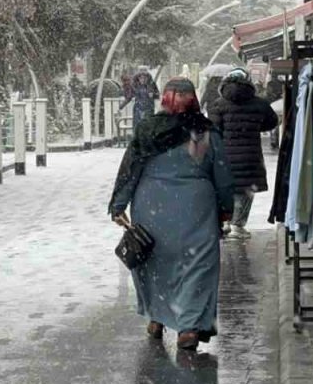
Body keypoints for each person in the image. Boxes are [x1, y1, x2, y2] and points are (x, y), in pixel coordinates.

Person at [108, 78, 235, 351]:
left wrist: (118, 204)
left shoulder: (148, 130)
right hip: (195, 208)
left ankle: (156, 317)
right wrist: (226, 208)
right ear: (193, 100)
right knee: (197, 265)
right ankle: (188, 327)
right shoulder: (205, 133)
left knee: (153, 263)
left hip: (151, 205)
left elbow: (130, 169)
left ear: (164, 99)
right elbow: (222, 175)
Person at [207, 68, 280, 240]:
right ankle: (238, 224)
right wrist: (253, 126)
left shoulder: (218, 104)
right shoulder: (259, 103)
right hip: (250, 154)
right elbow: (272, 122)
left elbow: (213, 129)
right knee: (246, 189)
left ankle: (225, 222)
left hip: (225, 155)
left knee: (226, 188)